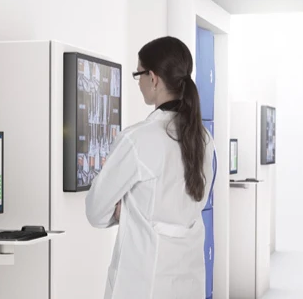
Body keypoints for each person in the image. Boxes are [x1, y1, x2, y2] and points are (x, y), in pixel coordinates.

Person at [85, 36, 214, 299]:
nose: (139, 82)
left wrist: (128, 211)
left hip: (143, 284)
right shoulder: (203, 138)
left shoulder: (137, 139)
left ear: (153, 78)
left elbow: (96, 211)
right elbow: (193, 202)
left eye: (138, 74)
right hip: (188, 282)